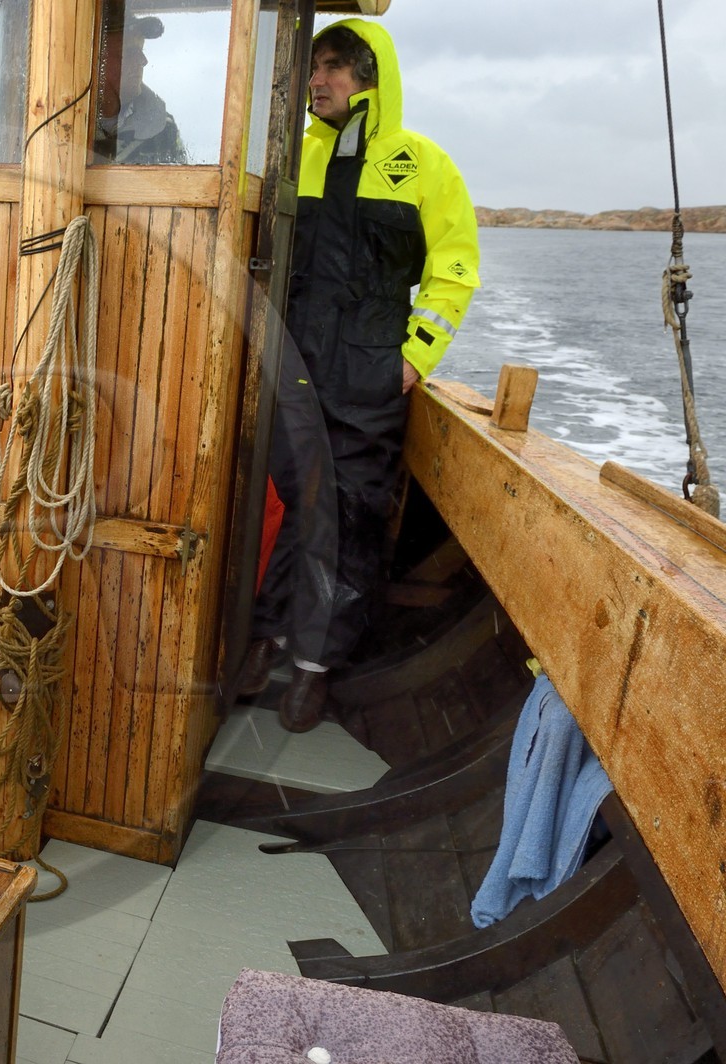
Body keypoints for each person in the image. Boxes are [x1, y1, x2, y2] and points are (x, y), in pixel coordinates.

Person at [236, 20, 480, 731]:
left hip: (369, 371)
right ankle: (267, 636)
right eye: (314, 67)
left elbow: (455, 267)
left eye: (334, 67)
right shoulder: (292, 159)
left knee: (351, 514)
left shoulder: (423, 164)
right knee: (282, 502)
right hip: (294, 365)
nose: (318, 80)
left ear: (371, 77)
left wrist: (415, 355)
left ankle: (314, 667)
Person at [93, 13, 189, 166]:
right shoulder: (66, 122)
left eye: (142, 50)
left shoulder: (165, 130)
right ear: (96, 58)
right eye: (130, 51)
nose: (143, 60)